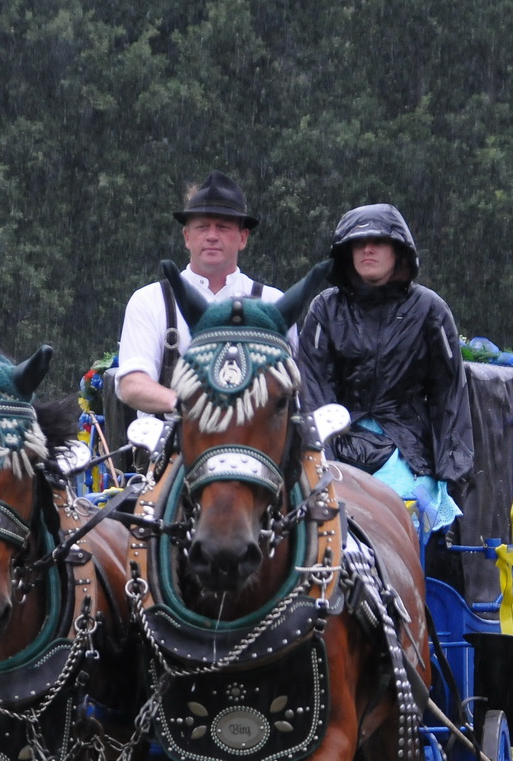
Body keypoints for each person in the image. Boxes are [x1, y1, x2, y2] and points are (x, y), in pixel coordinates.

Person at [296, 203, 473, 532]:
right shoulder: (325, 307)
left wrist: (450, 471)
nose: (367, 248)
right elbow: (313, 389)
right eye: (357, 242)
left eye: (378, 241)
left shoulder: (429, 309)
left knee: (402, 521)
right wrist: (323, 455)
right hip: (338, 438)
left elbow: (448, 394)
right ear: (345, 251)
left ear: (399, 250)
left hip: (408, 446)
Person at [114, 171, 284, 415]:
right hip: (166, 448)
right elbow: (132, 384)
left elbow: (287, 390)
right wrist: (190, 405)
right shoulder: (149, 301)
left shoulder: (273, 303)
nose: (212, 236)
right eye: (202, 227)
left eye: (223, 227)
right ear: (187, 237)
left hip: (252, 449)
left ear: (243, 238)